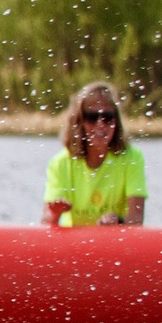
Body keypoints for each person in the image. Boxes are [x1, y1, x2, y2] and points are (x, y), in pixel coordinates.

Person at [42, 83, 146, 228]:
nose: (100, 124)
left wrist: (119, 221)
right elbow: (46, 222)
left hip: (115, 239)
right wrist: (55, 213)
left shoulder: (132, 158)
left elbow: (136, 218)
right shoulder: (60, 162)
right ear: (79, 121)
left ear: (116, 121)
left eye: (107, 117)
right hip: (74, 240)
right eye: (92, 117)